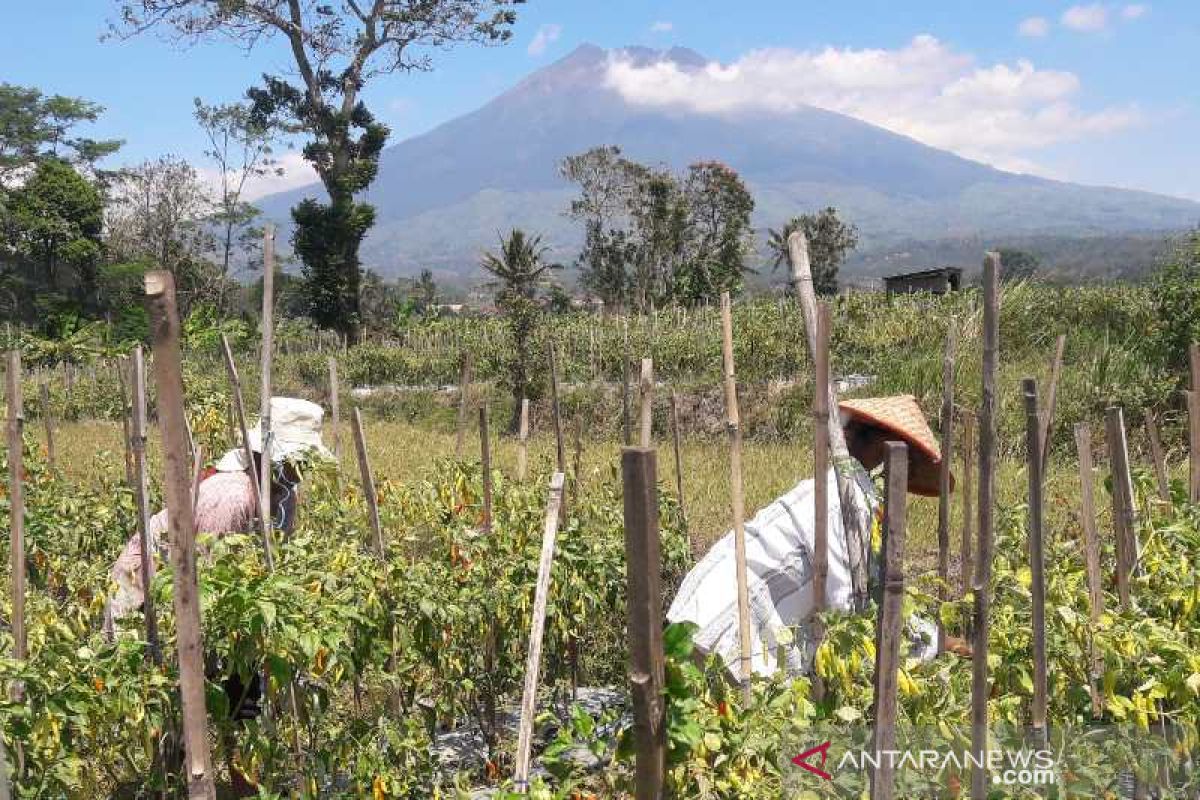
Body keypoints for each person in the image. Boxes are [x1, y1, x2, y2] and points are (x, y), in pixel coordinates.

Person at [105, 396, 331, 794]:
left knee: (243, 692)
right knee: (178, 699)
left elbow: (275, 563)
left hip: (216, 595)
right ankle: (170, 782)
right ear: (271, 457)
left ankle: (242, 779)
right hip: (149, 594)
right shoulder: (231, 496)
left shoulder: (283, 495)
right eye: (298, 461)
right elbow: (205, 584)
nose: (303, 472)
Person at [667, 395, 953, 677]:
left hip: (699, 612)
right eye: (909, 460)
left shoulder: (834, 491)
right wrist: (930, 645)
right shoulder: (846, 502)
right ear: (883, 447)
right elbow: (852, 605)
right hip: (725, 624)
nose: (908, 473)